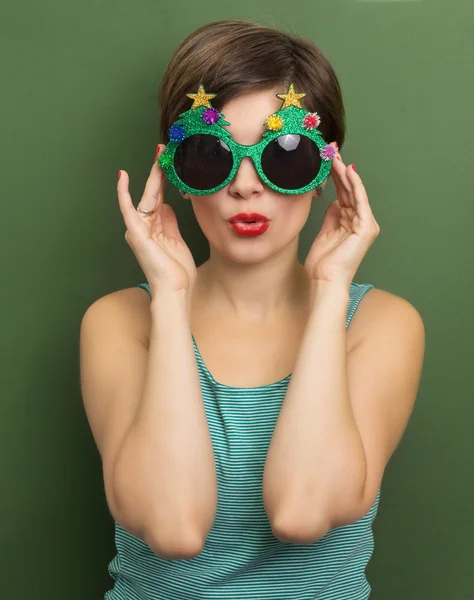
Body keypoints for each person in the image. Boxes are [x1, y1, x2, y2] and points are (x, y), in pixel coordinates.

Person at [80, 19, 425, 600]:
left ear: (326, 175)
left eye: (285, 156)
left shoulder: (381, 325)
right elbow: (174, 527)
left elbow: (302, 509)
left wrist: (331, 288)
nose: (245, 186)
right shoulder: (119, 322)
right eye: (212, 155)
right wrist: (168, 298)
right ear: (177, 175)